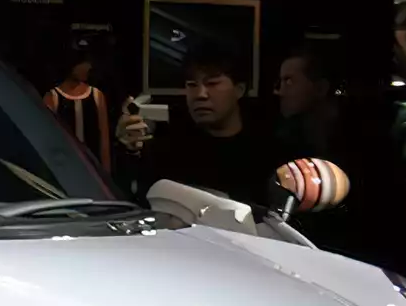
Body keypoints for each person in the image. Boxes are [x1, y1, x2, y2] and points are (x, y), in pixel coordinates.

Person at [273, 46, 406, 273]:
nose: (279, 91)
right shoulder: (287, 141)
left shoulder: (367, 146)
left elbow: (385, 225)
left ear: (320, 88)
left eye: (289, 81)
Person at [119, 46, 284, 207]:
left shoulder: (269, 155)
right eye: (192, 85)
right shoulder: (171, 150)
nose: (200, 94)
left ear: (239, 90)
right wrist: (130, 151)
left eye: (212, 83)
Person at [43, 49, 113, 174]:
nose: (88, 67)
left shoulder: (97, 95)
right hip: (65, 169)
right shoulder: (53, 97)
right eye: (83, 63)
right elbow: (48, 141)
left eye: (88, 63)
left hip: (93, 170)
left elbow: (104, 141)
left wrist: (106, 173)